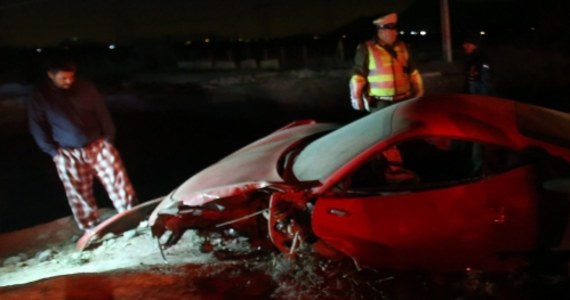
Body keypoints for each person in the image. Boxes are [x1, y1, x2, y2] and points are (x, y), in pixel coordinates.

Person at [27, 55, 138, 232]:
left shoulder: (85, 87)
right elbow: (37, 125)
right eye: (63, 77)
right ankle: (91, 227)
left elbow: (102, 112)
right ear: (50, 74)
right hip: (66, 151)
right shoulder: (40, 96)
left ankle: (131, 215)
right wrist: (52, 151)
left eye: (71, 76)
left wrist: (109, 137)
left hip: (98, 144)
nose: (69, 81)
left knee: (118, 181)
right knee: (79, 192)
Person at [349, 12, 424, 113]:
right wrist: (356, 98)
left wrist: (419, 91)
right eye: (391, 30)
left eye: (395, 29)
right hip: (380, 103)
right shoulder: (367, 48)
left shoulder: (403, 47)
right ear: (381, 30)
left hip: (403, 101)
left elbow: (413, 72)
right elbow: (358, 77)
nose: (395, 33)